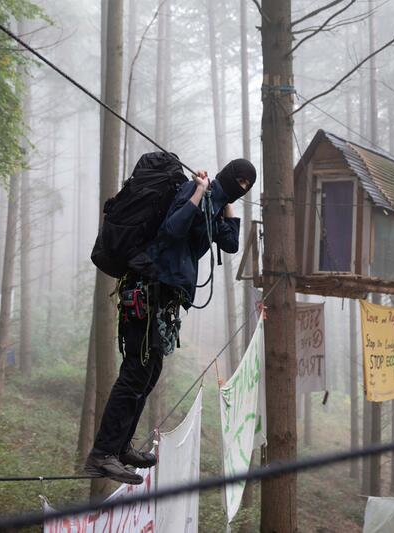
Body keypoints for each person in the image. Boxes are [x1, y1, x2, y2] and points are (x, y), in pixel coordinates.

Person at [84, 158, 257, 484]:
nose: (242, 187)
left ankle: (119, 447)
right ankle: (102, 454)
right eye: (239, 180)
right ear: (226, 174)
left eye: (248, 185)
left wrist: (227, 204)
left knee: (148, 374)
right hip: (147, 290)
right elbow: (172, 228)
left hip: (164, 300)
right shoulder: (195, 191)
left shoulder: (216, 206)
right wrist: (200, 191)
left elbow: (231, 244)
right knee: (136, 371)